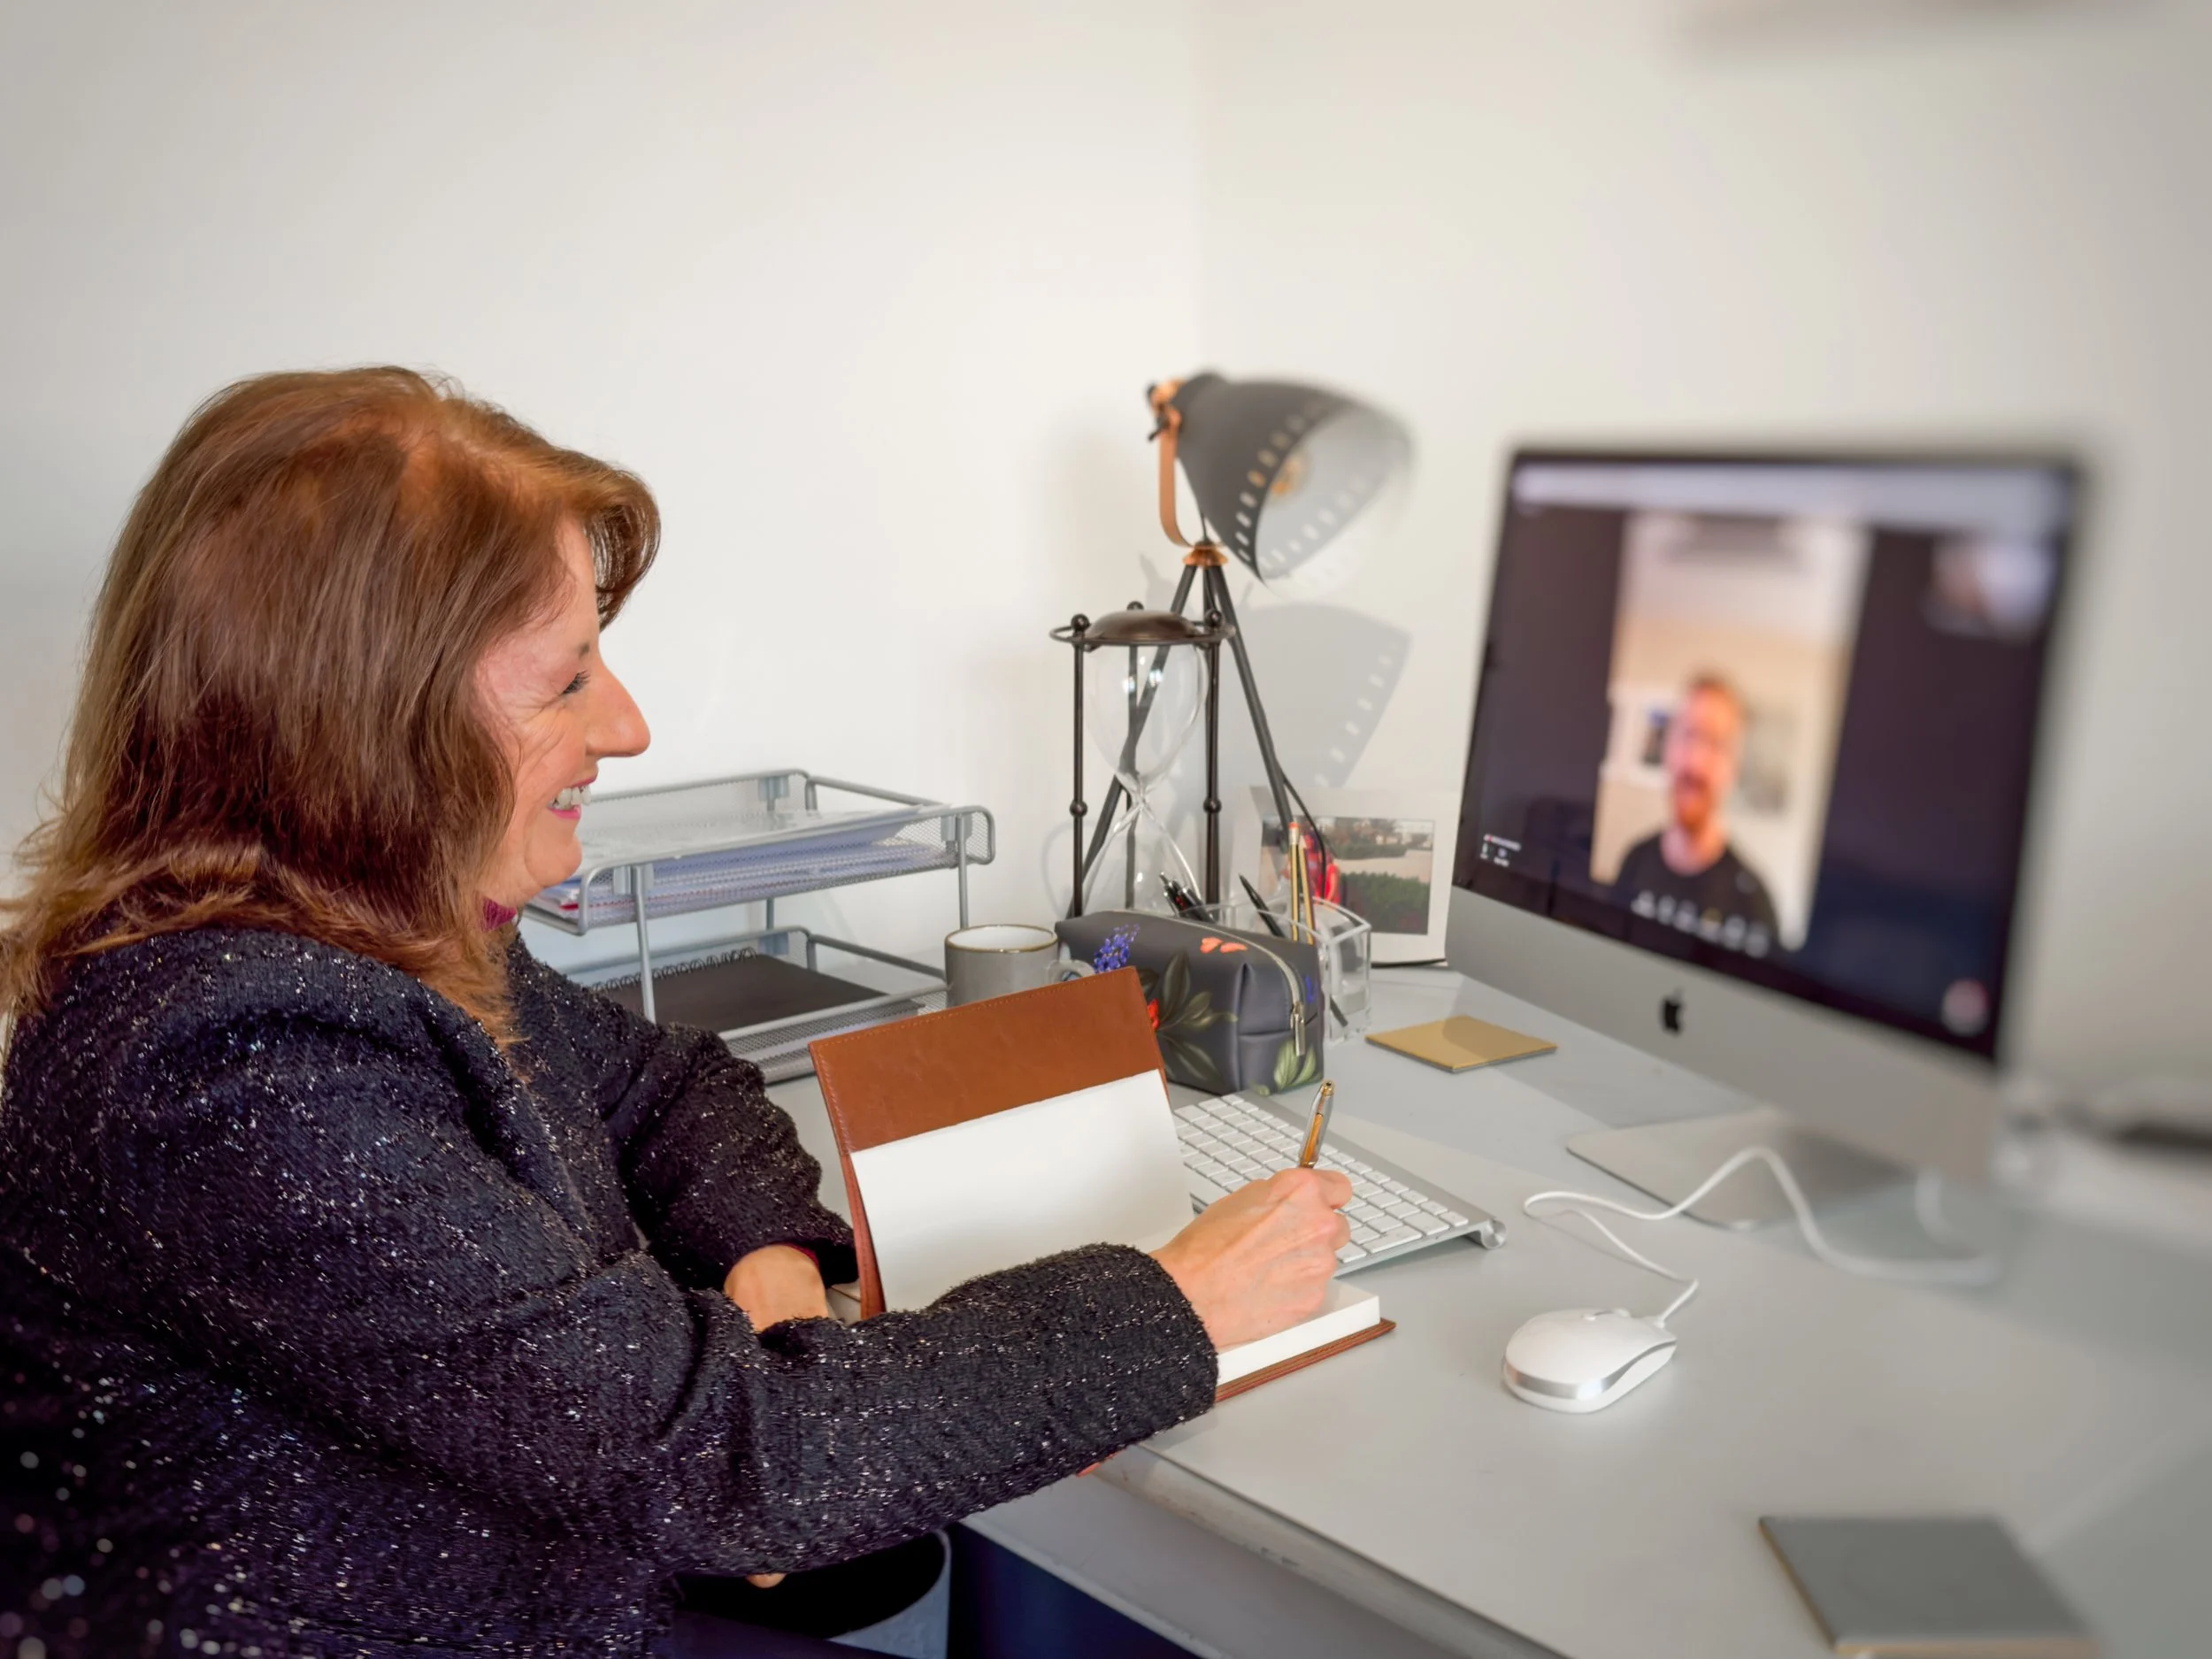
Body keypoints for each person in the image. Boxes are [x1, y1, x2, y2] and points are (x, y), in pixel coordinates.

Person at [0, 368, 1353, 1659]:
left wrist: (765, 1245)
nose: (631, 724)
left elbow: (660, 1086)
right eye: (568, 675)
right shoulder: (235, 1069)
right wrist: (1173, 1300)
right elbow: (728, 1460)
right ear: (369, 727)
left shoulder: (379, 933)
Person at [1609, 673, 1781, 951]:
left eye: (1716, 743)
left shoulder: (1754, 903)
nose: (1696, 762)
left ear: (1734, 768)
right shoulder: (1634, 861)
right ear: (1668, 748)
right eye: (1688, 734)